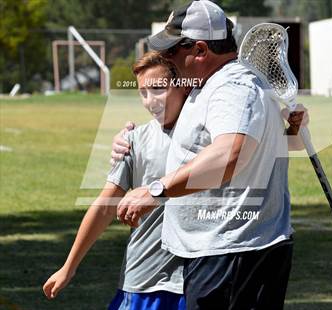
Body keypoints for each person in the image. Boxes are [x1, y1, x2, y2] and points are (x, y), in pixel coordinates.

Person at [112, 1, 308, 309]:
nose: (166, 58)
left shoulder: (234, 87)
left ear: (200, 50)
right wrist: (129, 140)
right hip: (222, 252)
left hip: (232, 254)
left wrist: (156, 191)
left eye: (172, 51)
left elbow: (229, 155)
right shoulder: (209, 85)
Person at [43, 51, 189, 310]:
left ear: (184, 84)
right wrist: (69, 266)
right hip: (145, 278)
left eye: (158, 89)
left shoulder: (214, 134)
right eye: (143, 93)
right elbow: (106, 205)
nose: (150, 101)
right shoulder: (133, 140)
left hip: (197, 279)